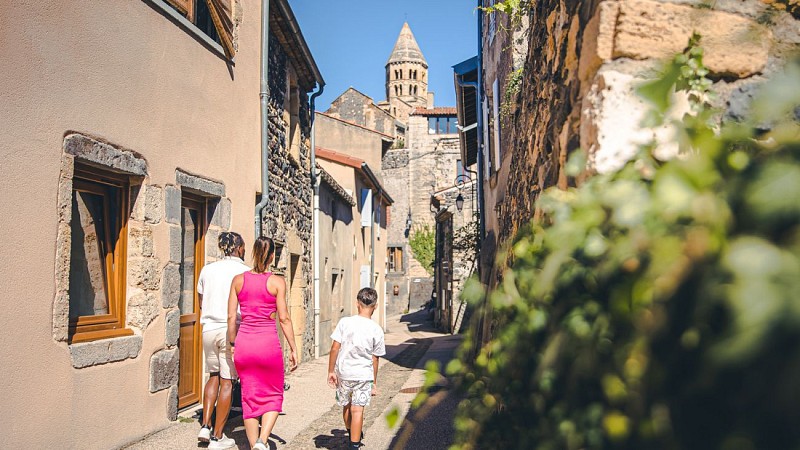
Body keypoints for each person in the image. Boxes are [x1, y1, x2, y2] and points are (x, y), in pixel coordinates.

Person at [228, 236, 298, 450]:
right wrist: (294, 348)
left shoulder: (238, 280)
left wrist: (232, 344)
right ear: (271, 256)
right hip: (267, 345)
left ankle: (253, 445)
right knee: (274, 393)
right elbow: (284, 318)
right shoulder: (277, 282)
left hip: (245, 345)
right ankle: (262, 439)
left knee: (249, 397)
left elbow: (231, 317)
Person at [197, 232, 249, 449]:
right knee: (228, 380)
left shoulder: (207, 269)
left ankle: (205, 426)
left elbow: (201, 301)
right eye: (243, 247)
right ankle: (218, 436)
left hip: (208, 327)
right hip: (230, 328)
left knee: (213, 376)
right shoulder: (245, 271)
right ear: (239, 248)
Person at [327, 287, 386, 450]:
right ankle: (354, 444)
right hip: (363, 374)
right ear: (376, 306)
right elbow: (375, 358)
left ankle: (350, 430)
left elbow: (334, 348)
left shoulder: (345, 322)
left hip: (344, 372)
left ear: (357, 303)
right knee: (357, 409)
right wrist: (374, 381)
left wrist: (331, 371)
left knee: (346, 405)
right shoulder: (376, 329)